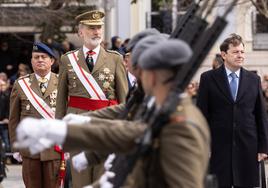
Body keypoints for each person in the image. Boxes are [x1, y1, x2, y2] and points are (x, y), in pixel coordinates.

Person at [14, 38, 210, 188]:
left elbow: (129, 134)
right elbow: (128, 134)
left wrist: (66, 131)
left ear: (151, 76)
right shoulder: (162, 111)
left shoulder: (180, 124)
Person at [56, 9, 128, 187]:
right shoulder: (67, 60)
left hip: (105, 126)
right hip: (77, 126)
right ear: (81, 32)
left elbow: (124, 98)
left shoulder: (115, 59)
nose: (96, 32)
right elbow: (61, 100)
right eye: (91, 28)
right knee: (80, 179)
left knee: (102, 178)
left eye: (99, 28)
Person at [197, 33, 268, 188]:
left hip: (248, 145)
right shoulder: (208, 78)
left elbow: (260, 115)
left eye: (242, 52)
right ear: (224, 55)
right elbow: (201, 115)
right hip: (218, 146)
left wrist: (263, 147)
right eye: (235, 52)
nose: (240, 55)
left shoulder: (253, 79)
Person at [8, 42, 62, 188]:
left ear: (52, 61)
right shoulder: (21, 84)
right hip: (29, 149)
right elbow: (14, 119)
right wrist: (15, 146)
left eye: (44, 57)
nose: (40, 60)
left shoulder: (62, 83)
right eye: (36, 57)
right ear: (31, 61)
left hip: (54, 149)